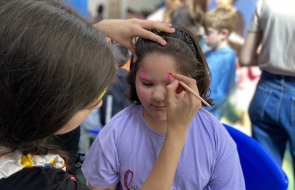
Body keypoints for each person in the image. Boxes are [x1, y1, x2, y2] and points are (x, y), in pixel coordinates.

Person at [0, 0, 201, 189]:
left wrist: (89, 37)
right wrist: (176, 135)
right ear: (49, 109)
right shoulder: (42, 184)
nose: (98, 104)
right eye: (90, 99)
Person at [82, 27, 245, 190]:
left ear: (192, 83)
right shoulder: (115, 133)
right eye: (147, 83)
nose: (159, 96)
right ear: (134, 78)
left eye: (170, 84)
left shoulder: (215, 138)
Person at [239, 0, 295, 180]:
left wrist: (271, 59)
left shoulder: (266, 2)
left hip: (266, 90)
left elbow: (246, 57)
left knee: (267, 177)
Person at [202, 7, 237, 120]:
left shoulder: (228, 57)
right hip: (197, 110)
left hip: (210, 116)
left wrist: (202, 105)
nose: (204, 35)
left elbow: (222, 93)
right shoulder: (208, 53)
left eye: (209, 32)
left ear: (223, 33)